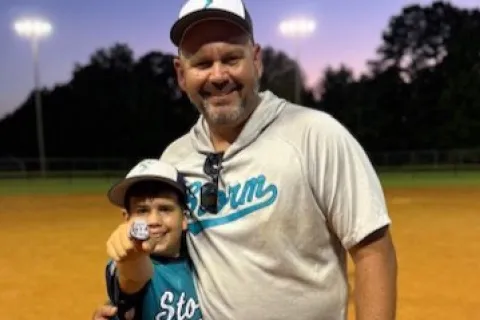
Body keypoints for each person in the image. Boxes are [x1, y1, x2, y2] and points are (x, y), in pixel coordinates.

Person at [93, 0, 397, 319]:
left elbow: (373, 251)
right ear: (181, 75)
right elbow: (164, 265)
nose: (218, 75)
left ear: (256, 61)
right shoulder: (174, 160)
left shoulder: (314, 135)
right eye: (201, 63)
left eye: (231, 58)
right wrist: (125, 311)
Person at [103, 158, 202, 320]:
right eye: (142, 211)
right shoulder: (127, 263)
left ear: (184, 218)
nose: (154, 221)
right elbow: (134, 276)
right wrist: (133, 258)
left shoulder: (201, 260)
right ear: (127, 219)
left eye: (165, 209)